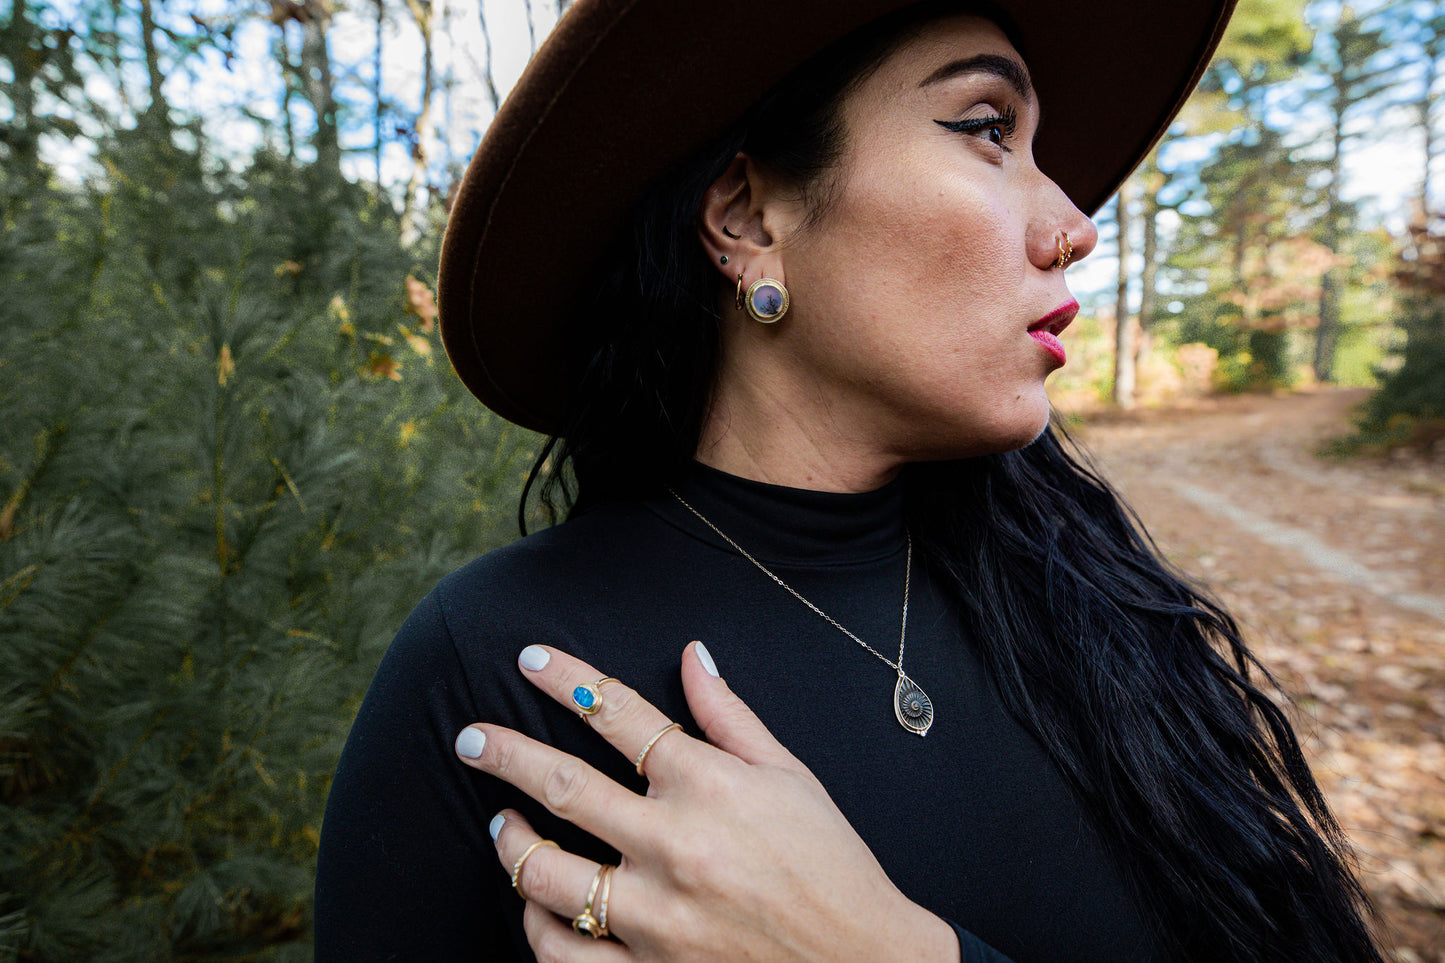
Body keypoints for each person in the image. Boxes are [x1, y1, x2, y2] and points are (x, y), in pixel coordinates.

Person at [314, 1, 1387, 960]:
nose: (1072, 226)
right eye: (985, 129)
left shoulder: (1094, 601)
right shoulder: (495, 670)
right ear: (745, 218)